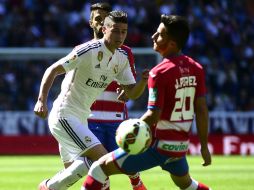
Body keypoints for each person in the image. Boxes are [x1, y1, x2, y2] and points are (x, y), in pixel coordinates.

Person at [82, 14, 212, 190]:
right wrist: (204, 146)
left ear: (171, 44)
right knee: (187, 184)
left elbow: (153, 115)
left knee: (99, 169)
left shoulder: (159, 72)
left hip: (157, 147)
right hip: (179, 147)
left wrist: (131, 130)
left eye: (159, 34)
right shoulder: (196, 68)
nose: (153, 36)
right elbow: (202, 110)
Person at [34, 10, 148, 190]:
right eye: (115, 30)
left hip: (81, 119)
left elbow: (132, 93)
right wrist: (41, 100)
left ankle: (49, 187)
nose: (120, 36)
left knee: (85, 165)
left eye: (124, 31)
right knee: (102, 161)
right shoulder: (88, 50)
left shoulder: (121, 58)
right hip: (64, 115)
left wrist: (143, 81)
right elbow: (53, 69)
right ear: (104, 29)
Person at [88, 3, 146, 190]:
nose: (101, 23)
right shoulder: (83, 50)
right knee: (97, 168)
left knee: (126, 163)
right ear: (92, 22)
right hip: (90, 119)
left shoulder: (125, 52)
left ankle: (135, 180)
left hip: (116, 119)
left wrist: (129, 91)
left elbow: (130, 88)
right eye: (98, 19)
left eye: (105, 19)